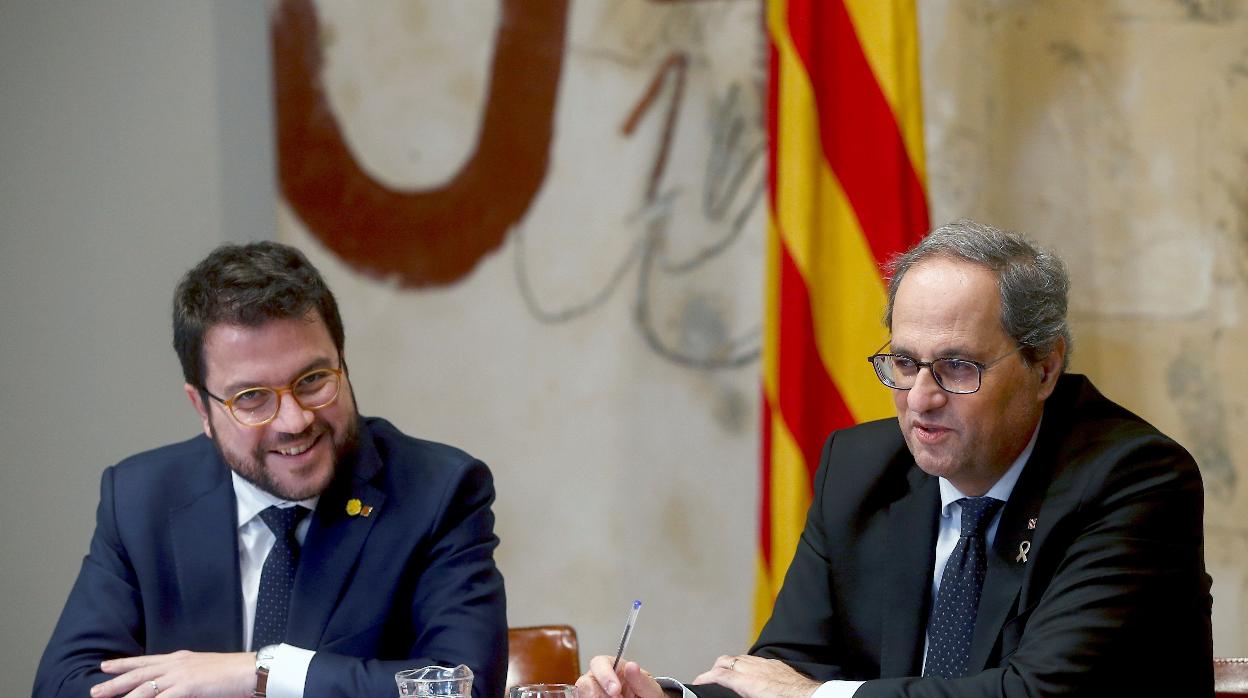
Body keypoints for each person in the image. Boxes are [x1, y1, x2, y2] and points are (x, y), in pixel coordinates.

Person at [578, 220, 1213, 697]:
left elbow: (1036, 693)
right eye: (904, 364)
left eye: (958, 367)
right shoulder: (859, 469)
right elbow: (784, 671)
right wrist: (670, 697)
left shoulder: (1133, 480)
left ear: (1044, 368)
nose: (921, 399)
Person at [34, 242, 507, 698]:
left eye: (314, 380)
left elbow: (460, 688)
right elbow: (67, 684)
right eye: (252, 398)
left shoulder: (437, 492)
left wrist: (257, 672)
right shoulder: (142, 498)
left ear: (342, 362)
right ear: (202, 408)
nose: (295, 420)